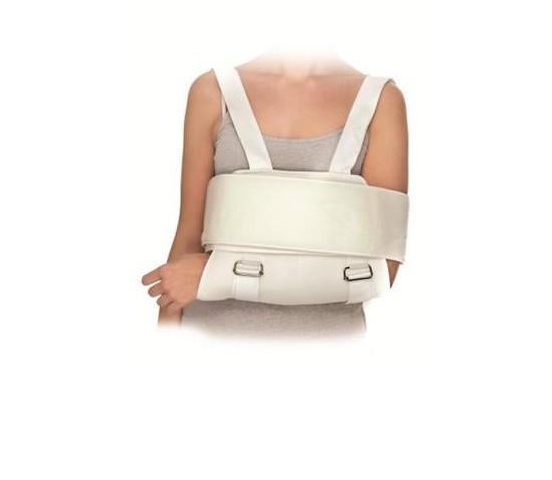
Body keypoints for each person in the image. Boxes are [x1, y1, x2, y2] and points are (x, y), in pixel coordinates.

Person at [140, 49, 408, 338]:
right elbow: (187, 241)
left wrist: (216, 274)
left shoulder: (381, 99)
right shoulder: (211, 91)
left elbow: (383, 270)